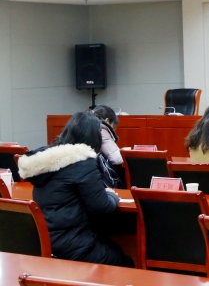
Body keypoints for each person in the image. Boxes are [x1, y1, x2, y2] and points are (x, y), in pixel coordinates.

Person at [17, 111, 133, 267]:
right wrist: (112, 195)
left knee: (111, 245)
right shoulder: (83, 162)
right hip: (74, 247)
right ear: (94, 138)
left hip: (46, 243)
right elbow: (102, 207)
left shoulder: (47, 162)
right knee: (126, 261)